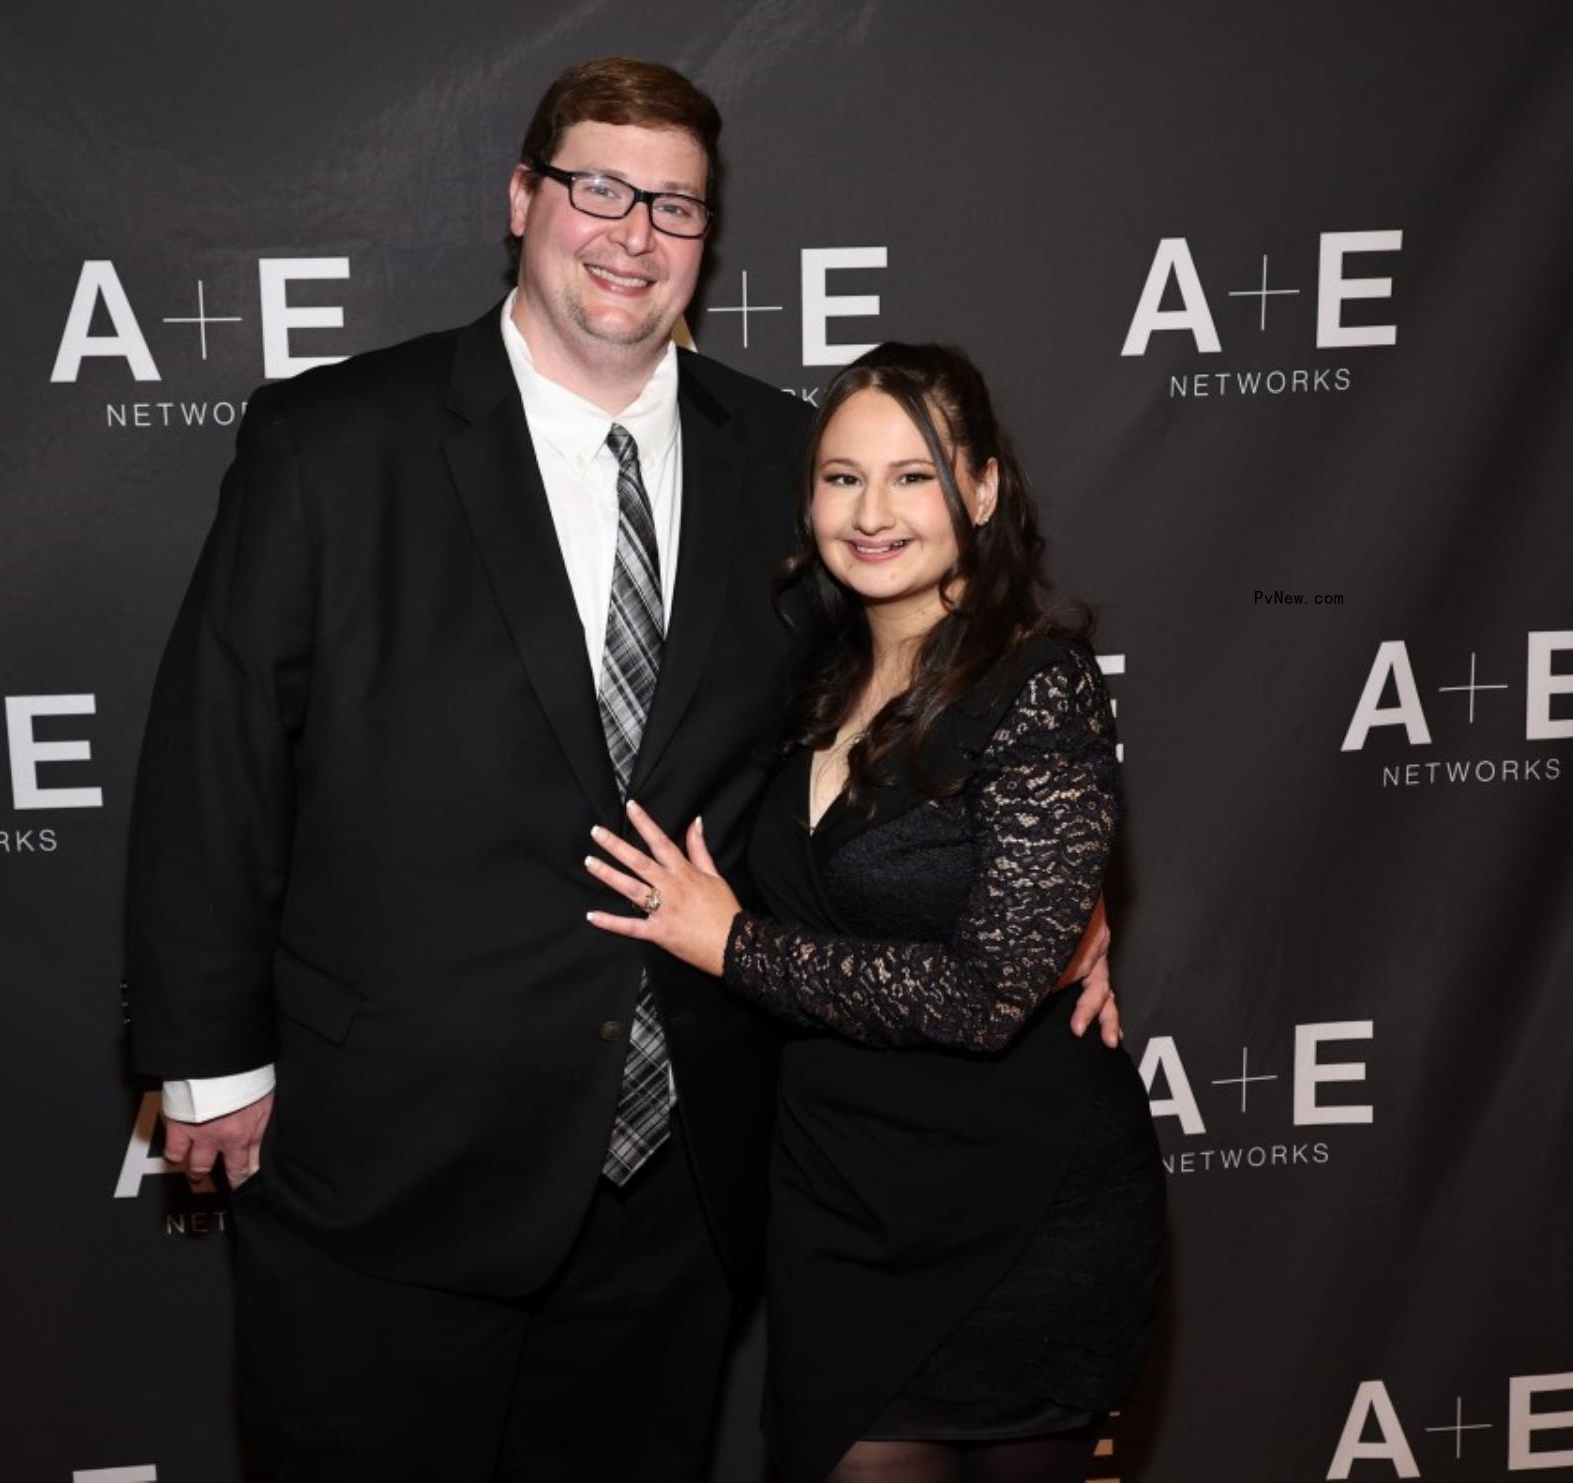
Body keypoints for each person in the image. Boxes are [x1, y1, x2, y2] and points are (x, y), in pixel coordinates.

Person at [124, 58, 1120, 1483]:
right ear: (520, 198)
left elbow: (925, 690)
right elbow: (215, 752)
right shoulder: (336, 439)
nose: (633, 234)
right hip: (392, 1154)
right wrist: (209, 1057)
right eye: (599, 188)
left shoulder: (792, 458)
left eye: (676, 206)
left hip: (678, 1177)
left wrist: (1056, 891)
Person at [585, 344, 1164, 1483]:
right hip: (837, 1206)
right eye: (842, 477)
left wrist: (732, 943)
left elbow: (986, 996)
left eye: (914, 476)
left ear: (982, 489)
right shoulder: (802, 677)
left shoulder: (1037, 683)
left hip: (1022, 1209)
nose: (872, 512)